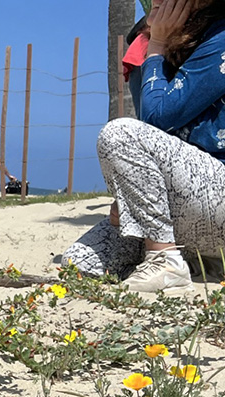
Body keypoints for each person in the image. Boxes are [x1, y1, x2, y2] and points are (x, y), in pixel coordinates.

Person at [64, 0, 225, 294]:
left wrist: (158, 46)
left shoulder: (220, 37)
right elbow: (156, 144)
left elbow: (154, 120)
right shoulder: (155, 41)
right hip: (194, 201)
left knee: (119, 133)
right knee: (79, 263)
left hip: (218, 193)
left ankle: (165, 259)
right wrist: (131, 199)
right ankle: (195, 261)